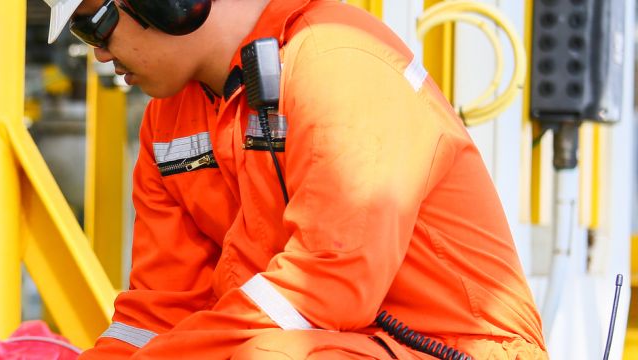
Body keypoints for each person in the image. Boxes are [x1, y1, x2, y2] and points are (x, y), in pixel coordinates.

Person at [43, 0, 548, 358]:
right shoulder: (170, 119)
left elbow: (328, 285)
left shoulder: (340, 61)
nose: (99, 54)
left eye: (96, 25)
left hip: (459, 349)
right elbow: (156, 315)